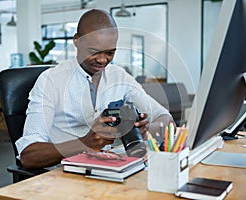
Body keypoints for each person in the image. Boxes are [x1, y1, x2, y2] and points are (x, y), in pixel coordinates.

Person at [16, 9, 174, 169]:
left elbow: (167, 120)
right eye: (93, 52)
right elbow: (28, 156)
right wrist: (85, 143)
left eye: (110, 53)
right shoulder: (51, 81)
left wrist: (145, 130)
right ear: (77, 40)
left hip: (109, 169)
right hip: (63, 175)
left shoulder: (119, 77)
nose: (102, 60)